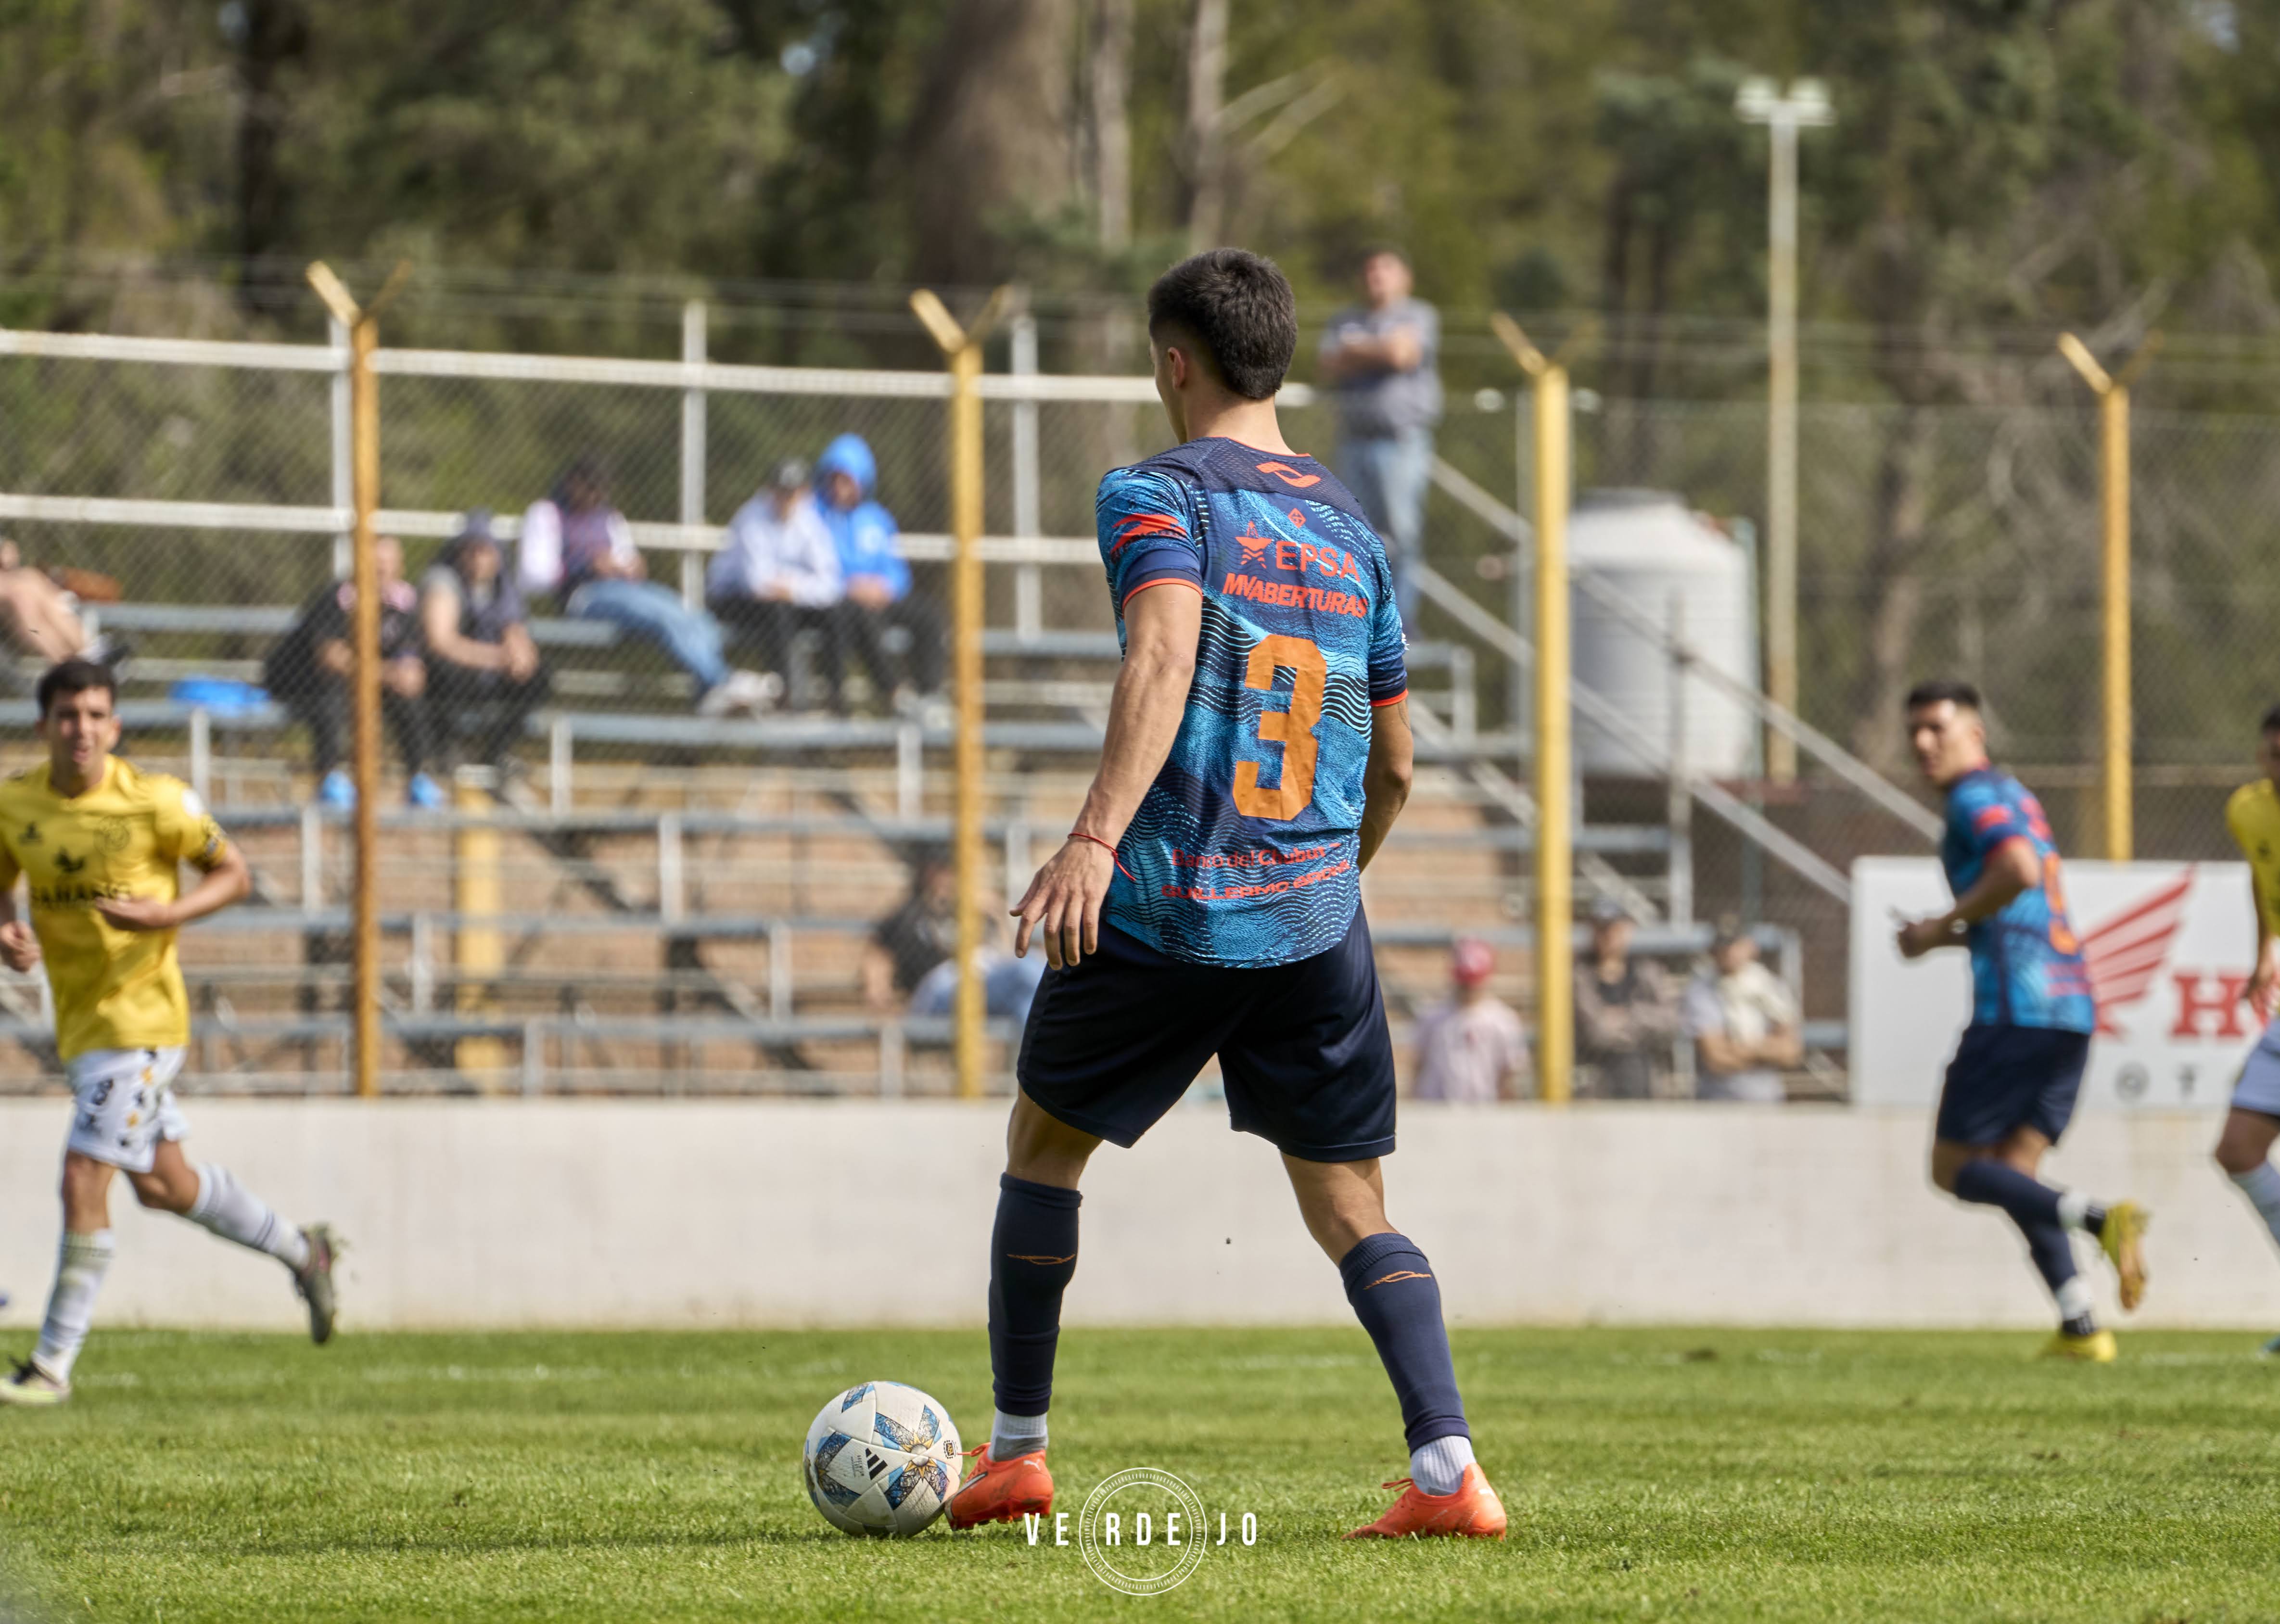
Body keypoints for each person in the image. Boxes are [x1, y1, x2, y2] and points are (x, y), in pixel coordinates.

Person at [947, 248, 1505, 1542]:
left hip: (1167, 905)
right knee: (1354, 1208)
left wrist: (1093, 836)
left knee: (1043, 1153)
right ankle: (1448, 1471)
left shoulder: (1157, 493)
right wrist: (1328, 876)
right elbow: (1403, 759)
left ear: (1174, 361)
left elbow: (1161, 644)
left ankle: (1019, 1452)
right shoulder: (1357, 533)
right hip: (1318, 915)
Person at [0, 660, 340, 1407]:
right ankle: (301, 1250)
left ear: (114, 726)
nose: (81, 729)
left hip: (145, 1025)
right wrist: (7, 933)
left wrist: (165, 914)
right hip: (83, 1030)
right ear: (43, 725)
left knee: (83, 1177)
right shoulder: (14, 805)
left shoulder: (157, 804)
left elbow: (235, 874)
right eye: (67, 715)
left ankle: (51, 1366)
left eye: (95, 715)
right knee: (164, 1185)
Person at [1894, 678, 2149, 1361]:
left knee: (1952, 1169)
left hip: (2015, 1009)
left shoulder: (1971, 798)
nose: (1921, 743)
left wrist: (1946, 919)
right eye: (1913, 731)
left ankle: (2100, 1219)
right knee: (2015, 1171)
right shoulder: (2015, 795)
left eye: (1935, 729)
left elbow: (2016, 870)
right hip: (2069, 1009)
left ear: (1972, 734)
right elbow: (2017, 904)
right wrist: (1936, 935)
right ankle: (2079, 1327)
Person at [517, 455, 772, 717]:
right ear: (573, 484)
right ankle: (719, 682)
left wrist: (632, 567)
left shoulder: (609, 518)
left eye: (601, 489)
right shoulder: (548, 513)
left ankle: (713, 690)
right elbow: (534, 576)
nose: (596, 495)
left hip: (626, 590)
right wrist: (587, 566)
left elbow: (626, 557)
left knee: (690, 613)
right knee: (661, 617)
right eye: (591, 488)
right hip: (583, 596)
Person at [263, 534, 439, 809]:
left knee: (409, 697)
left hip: (367, 681)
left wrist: (409, 673)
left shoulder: (404, 603)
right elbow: (332, 658)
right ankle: (329, 779)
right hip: (300, 681)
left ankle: (419, 779)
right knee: (332, 692)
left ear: (400, 566)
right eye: (376, 562)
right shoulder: (337, 598)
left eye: (389, 563)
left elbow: (410, 658)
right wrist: (389, 673)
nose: (382, 570)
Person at [1316, 248, 1441, 632]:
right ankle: (1359, 620)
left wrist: (1356, 348)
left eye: (1386, 269)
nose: (1376, 277)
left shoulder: (1418, 315)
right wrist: (1378, 349)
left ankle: (1401, 625)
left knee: (1401, 536)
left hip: (1400, 443)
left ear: (1405, 278)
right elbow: (1328, 364)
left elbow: (1401, 354)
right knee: (1352, 534)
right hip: (1354, 441)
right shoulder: (1346, 319)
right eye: (1370, 270)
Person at [2211, 704, 2280, 1354]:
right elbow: (2261, 877)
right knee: (2236, 1147)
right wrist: (2264, 950)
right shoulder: (2247, 810)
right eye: (2271, 755)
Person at [813, 434, 945, 711]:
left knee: (928, 614)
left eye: (847, 481)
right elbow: (813, 568)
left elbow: (897, 570)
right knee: (862, 617)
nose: (840, 488)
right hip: (840, 600)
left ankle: (931, 694)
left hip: (879, 597)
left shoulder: (878, 518)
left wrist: (885, 588)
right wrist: (848, 586)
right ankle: (897, 693)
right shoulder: (813, 516)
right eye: (834, 479)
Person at [420, 510, 551, 775]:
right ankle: (445, 750)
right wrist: (498, 658)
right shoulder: (443, 579)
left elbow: (515, 631)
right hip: (454, 677)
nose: (478, 559)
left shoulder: (503, 585)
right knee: (440, 668)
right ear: (460, 552)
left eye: (486, 551)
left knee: (538, 676)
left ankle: (495, 753)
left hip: (489, 675)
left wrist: (521, 655)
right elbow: (441, 642)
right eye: (472, 551)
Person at [707, 459, 840, 702]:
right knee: (778, 611)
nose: (786, 498)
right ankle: (784, 698)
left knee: (837, 614)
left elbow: (831, 585)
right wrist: (801, 586)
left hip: (785, 603)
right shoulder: (751, 518)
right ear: (770, 490)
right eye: (781, 491)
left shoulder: (810, 521)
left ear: (804, 492)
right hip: (730, 600)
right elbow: (756, 585)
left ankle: (836, 698)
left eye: (792, 492)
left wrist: (791, 588)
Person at [1681, 918, 1803, 1103]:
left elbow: (1790, 1053)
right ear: (1714, 951)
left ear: (1751, 947)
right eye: (1725, 947)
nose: (1731, 953)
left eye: (1737, 945)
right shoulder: (1702, 991)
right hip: (1720, 1100)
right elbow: (1716, 1059)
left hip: (1768, 1099)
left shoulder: (1771, 986)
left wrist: (1743, 1048)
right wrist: (1767, 1050)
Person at [1575, 898, 1681, 1100]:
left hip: (1648, 1076)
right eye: (1601, 929)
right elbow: (1598, 1031)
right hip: (1597, 1080)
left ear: (1628, 929)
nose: (1608, 936)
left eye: (1615, 928)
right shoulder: (1580, 976)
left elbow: (1672, 1021)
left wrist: (1631, 1015)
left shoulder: (1648, 972)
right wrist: (1644, 1022)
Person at [1411, 938, 1530, 1102]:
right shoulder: (1432, 1017)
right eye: (1465, 984)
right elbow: (1418, 1065)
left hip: (1484, 1110)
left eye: (1473, 984)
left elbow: (1509, 1074)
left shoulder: (1503, 1021)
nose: (1469, 990)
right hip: (1436, 1109)